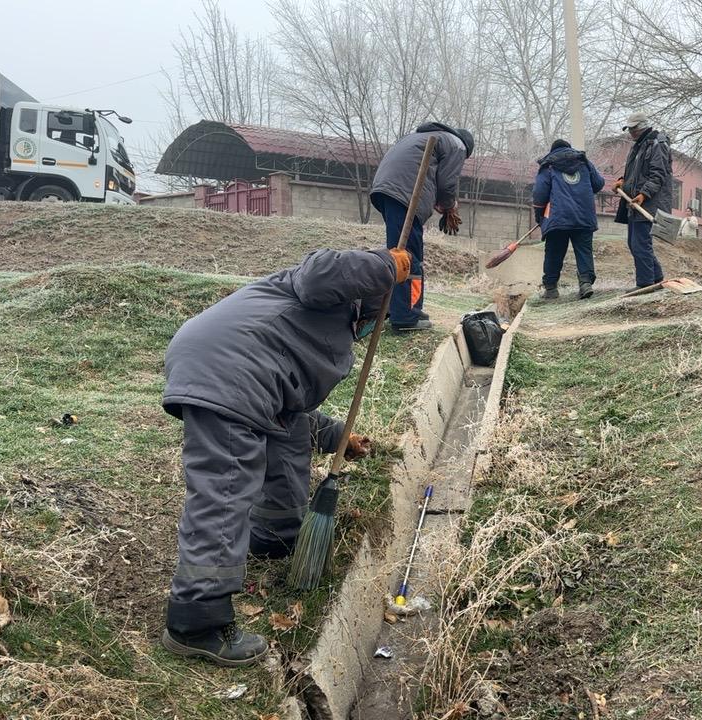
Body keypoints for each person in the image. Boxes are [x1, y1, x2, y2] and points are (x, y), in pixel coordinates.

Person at [159, 246, 411, 667]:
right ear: (365, 298)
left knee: (288, 433)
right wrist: (388, 265)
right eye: (373, 319)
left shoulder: (323, 327)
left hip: (243, 374)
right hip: (226, 373)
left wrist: (338, 438)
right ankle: (196, 622)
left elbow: (291, 407)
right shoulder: (321, 290)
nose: (370, 328)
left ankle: (275, 536)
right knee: (225, 490)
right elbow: (320, 271)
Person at [370, 122, 475, 331]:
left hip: (385, 190)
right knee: (409, 257)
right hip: (405, 193)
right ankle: (406, 317)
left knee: (397, 252)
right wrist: (449, 205)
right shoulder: (457, 145)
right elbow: (447, 183)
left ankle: (400, 308)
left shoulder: (424, 137)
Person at [532, 139, 605, 300]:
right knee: (584, 250)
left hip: (558, 218)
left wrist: (539, 216)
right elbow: (599, 183)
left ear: (552, 151)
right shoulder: (584, 162)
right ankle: (585, 283)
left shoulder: (548, 166)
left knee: (554, 252)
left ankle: (551, 288)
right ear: (569, 148)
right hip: (584, 217)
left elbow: (539, 194)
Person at [613, 112, 671, 288]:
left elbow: (658, 175)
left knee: (640, 244)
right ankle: (656, 277)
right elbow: (635, 173)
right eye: (629, 129)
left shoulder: (657, 144)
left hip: (648, 203)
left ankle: (645, 283)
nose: (630, 133)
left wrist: (644, 194)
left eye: (633, 129)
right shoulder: (638, 146)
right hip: (634, 202)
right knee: (634, 243)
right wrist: (623, 181)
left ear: (642, 127)